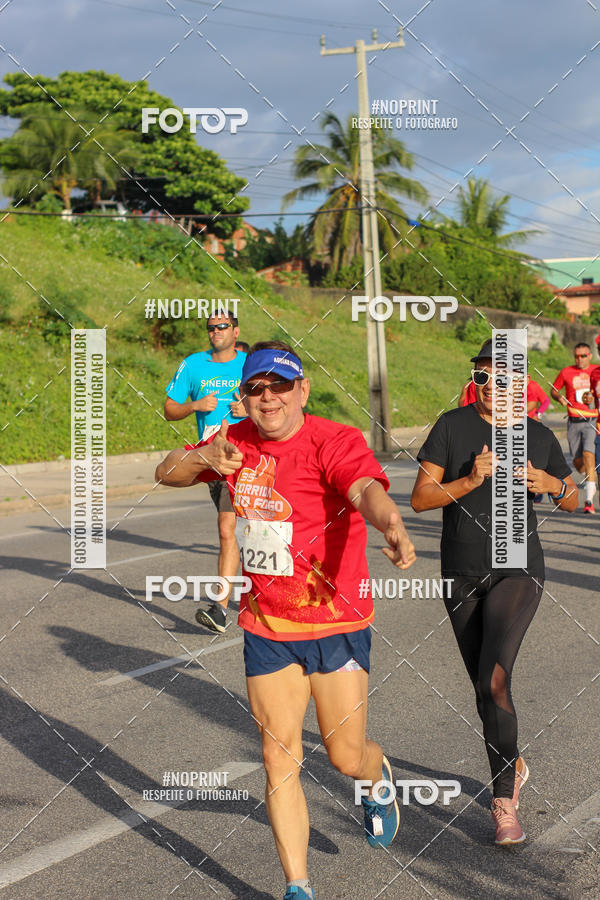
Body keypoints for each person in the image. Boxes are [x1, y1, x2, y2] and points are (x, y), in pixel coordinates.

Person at [156, 341, 416, 900]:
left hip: (334, 622)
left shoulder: (334, 439)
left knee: (345, 754)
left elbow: (364, 488)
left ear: (301, 390)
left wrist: (390, 521)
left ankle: (376, 779)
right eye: (256, 388)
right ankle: (297, 887)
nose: (267, 397)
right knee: (278, 756)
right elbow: (167, 471)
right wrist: (205, 458)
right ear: (244, 397)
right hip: (266, 626)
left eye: (279, 386)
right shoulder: (235, 441)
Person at [411, 339, 577, 846]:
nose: (490, 386)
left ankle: (503, 801)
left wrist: (548, 480)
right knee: (484, 687)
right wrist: (468, 479)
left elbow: (571, 500)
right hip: (460, 571)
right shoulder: (451, 426)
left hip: (518, 568)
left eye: (501, 378)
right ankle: (513, 761)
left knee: (497, 680)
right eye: (482, 377)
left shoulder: (536, 433)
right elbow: (420, 499)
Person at [164, 311, 247, 632]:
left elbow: (279, 400)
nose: (216, 332)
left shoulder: (250, 362)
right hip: (216, 459)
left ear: (236, 331)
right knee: (228, 529)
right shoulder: (193, 364)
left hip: (255, 456)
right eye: (211, 328)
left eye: (222, 326)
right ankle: (221, 610)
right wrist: (194, 406)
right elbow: (170, 409)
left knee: (255, 532)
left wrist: (248, 408)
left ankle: (248, 596)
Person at [551, 343, 598, 513]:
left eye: (583, 356)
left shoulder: (597, 370)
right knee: (580, 464)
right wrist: (559, 397)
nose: (579, 359)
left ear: (590, 356)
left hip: (592, 420)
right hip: (573, 420)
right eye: (576, 356)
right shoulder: (566, 372)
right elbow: (554, 390)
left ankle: (588, 501)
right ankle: (593, 476)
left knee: (588, 455)